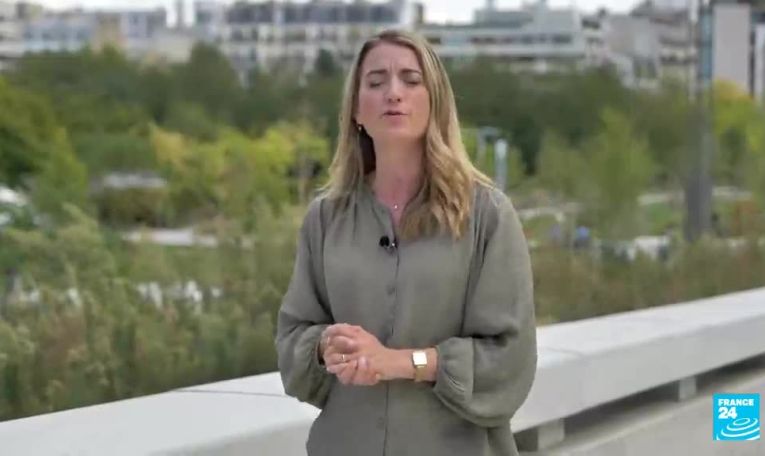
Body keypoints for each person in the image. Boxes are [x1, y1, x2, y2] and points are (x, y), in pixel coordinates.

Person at [275, 29, 537, 456]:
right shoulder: (326, 218)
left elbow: (510, 358)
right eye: (376, 82)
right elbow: (292, 339)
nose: (393, 93)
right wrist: (325, 347)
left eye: (411, 80)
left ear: (436, 102)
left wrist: (401, 363)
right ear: (356, 109)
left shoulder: (487, 215)